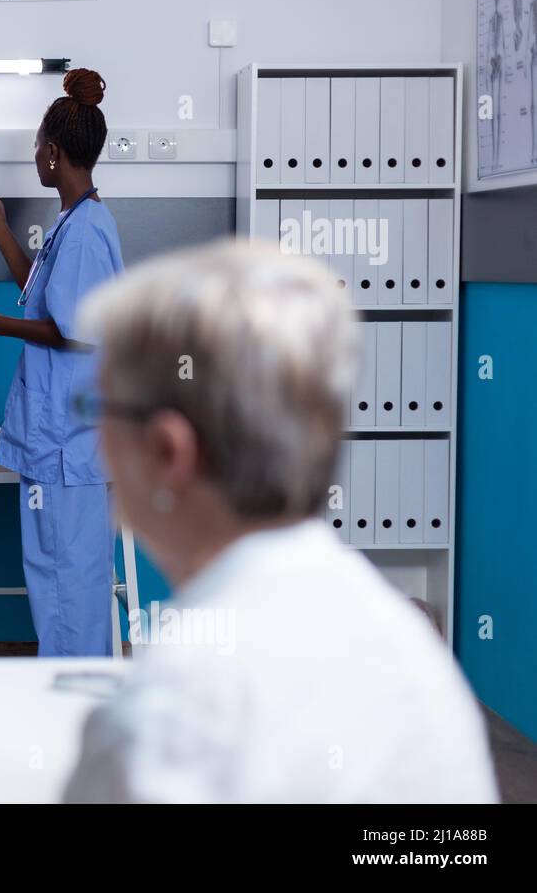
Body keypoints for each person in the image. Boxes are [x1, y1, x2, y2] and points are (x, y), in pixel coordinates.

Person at [63, 240, 497, 802]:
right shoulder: (415, 654)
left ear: (169, 451)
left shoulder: (168, 714)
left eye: (101, 410)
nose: (97, 442)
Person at [0, 68, 124, 656]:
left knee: (64, 586)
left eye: (36, 147)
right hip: (68, 440)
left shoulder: (82, 232)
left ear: (53, 153)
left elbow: (74, 332)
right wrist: (2, 231)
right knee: (67, 581)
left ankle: (70, 711)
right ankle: (83, 703)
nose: (34, 156)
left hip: (66, 445)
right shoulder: (74, 223)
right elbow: (47, 294)